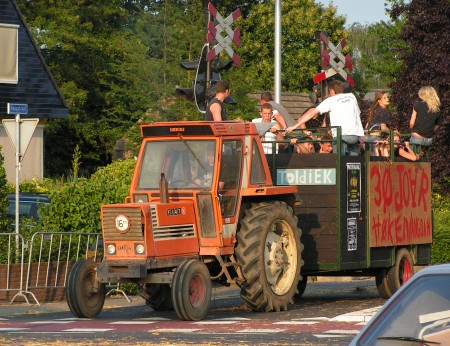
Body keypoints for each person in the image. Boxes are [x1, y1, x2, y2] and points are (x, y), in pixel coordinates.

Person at [286, 80, 364, 156]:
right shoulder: (352, 97)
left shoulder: (330, 100)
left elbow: (311, 114)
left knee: (339, 157)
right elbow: (357, 115)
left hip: (341, 135)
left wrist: (294, 127)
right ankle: (355, 165)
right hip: (354, 136)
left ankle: (339, 166)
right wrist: (361, 135)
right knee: (353, 150)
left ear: (332, 91)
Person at [365, 91, 392, 155]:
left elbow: (367, 126)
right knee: (377, 161)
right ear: (379, 101)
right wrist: (394, 133)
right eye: (384, 98)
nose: (387, 99)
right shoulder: (383, 111)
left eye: (387, 97)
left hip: (368, 138)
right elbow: (383, 127)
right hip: (376, 138)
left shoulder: (374, 110)